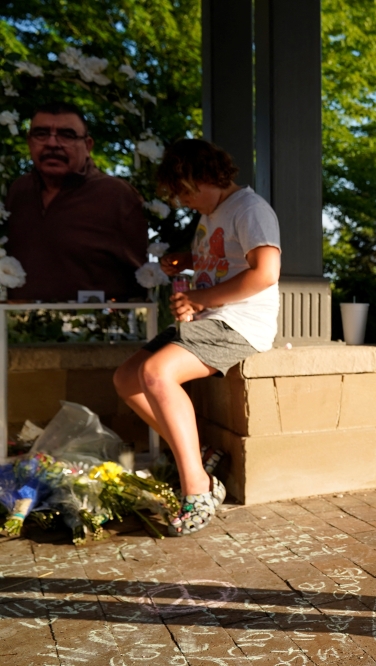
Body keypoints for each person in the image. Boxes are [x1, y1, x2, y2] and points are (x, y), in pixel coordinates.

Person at [113, 139, 281, 536]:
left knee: (156, 372)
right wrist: (186, 261)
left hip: (239, 323)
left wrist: (200, 298)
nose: (183, 201)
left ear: (208, 176)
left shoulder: (251, 209)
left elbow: (265, 272)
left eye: (186, 191)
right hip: (209, 318)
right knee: (126, 379)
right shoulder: (214, 211)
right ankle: (199, 453)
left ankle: (199, 487)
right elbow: (226, 257)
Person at [3, 102, 146, 302]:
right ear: (29, 142)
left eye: (66, 135)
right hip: (17, 328)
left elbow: (143, 281)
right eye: (41, 134)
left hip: (95, 328)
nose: (52, 144)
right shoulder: (19, 191)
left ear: (87, 146)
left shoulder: (116, 195)